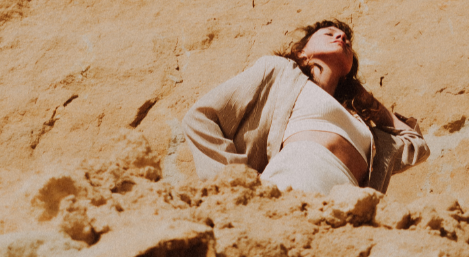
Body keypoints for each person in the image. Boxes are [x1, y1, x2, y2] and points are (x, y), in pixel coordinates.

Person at [183, 18, 428, 196]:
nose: (341, 37)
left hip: (346, 215)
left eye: (347, 40)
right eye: (329, 33)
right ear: (302, 53)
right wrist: (240, 182)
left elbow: (416, 144)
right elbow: (200, 119)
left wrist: (369, 103)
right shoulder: (279, 72)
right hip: (289, 190)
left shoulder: (365, 128)